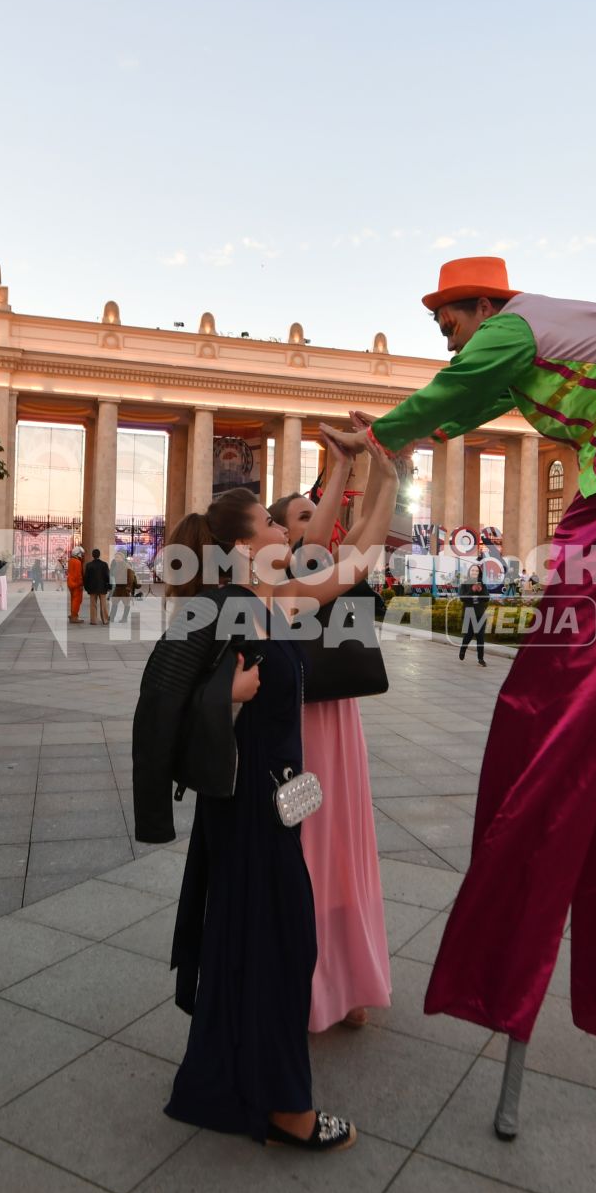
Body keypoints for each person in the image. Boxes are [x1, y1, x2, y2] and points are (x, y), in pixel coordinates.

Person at [354, 256, 596, 1127]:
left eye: (448, 318)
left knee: (557, 689)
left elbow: (450, 393)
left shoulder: (513, 325)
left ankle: (522, 908)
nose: (449, 334)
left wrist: (379, 436)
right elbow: (464, 403)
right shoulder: (541, 336)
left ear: (483, 303)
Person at [132, 476, 384, 1153]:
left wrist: (382, 473)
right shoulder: (222, 607)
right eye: (274, 529)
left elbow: (359, 558)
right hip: (249, 809)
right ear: (247, 542)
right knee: (279, 947)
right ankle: (287, 1109)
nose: (287, 535)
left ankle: (227, 1083)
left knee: (260, 944)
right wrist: (228, 694)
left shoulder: (274, 602)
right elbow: (159, 697)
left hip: (279, 803)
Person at [268, 427, 399, 1033]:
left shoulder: (317, 565)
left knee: (344, 847)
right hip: (299, 722)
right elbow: (333, 534)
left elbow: (364, 532)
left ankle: (347, 979)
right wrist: (349, 469)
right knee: (311, 850)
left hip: (339, 716)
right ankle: (314, 982)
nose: (314, 517)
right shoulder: (285, 577)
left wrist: (375, 472)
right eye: (296, 513)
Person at [458, 568, 491, 666]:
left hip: (480, 614)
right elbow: (462, 598)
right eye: (472, 570)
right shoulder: (465, 584)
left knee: (480, 637)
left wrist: (480, 591)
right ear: (469, 572)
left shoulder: (482, 584)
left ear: (479, 573)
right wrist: (472, 590)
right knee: (468, 635)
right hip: (469, 613)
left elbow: (487, 598)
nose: (474, 572)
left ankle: (481, 659)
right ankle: (463, 649)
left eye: (476, 571)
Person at [84, 548, 111, 624]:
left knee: (93, 604)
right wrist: (109, 586)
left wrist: (86, 587)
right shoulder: (104, 564)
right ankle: (105, 620)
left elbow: (86, 577)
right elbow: (107, 576)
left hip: (92, 588)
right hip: (102, 587)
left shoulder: (89, 565)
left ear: (92, 555)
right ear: (99, 555)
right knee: (103, 605)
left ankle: (93, 620)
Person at [66, 546, 85, 622]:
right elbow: (78, 575)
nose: (82, 556)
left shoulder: (71, 560)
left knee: (73, 599)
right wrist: (81, 584)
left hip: (70, 582)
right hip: (76, 584)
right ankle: (74, 616)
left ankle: (72, 615)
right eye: (82, 554)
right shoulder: (77, 562)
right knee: (77, 600)